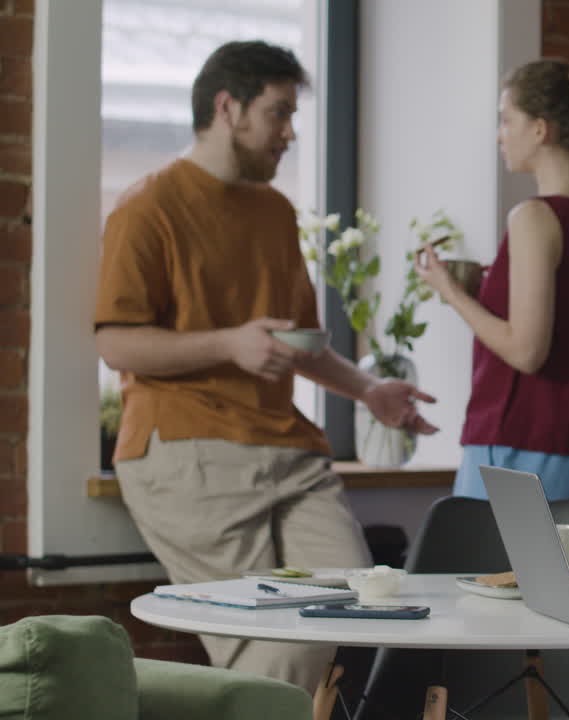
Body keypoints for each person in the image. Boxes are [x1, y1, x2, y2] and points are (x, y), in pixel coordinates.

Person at [93, 40, 437, 693]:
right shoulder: (149, 207)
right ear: (228, 107)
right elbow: (116, 343)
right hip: (188, 452)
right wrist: (228, 344)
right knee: (276, 654)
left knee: (348, 613)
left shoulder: (275, 212)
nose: (289, 133)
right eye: (278, 113)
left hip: (289, 456)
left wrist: (370, 390)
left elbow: (293, 341)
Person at [415, 59, 569, 511]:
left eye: (506, 119)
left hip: (521, 449)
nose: (499, 134)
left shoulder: (533, 217)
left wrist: (451, 292)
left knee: (477, 584)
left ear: (540, 129)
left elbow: (527, 351)